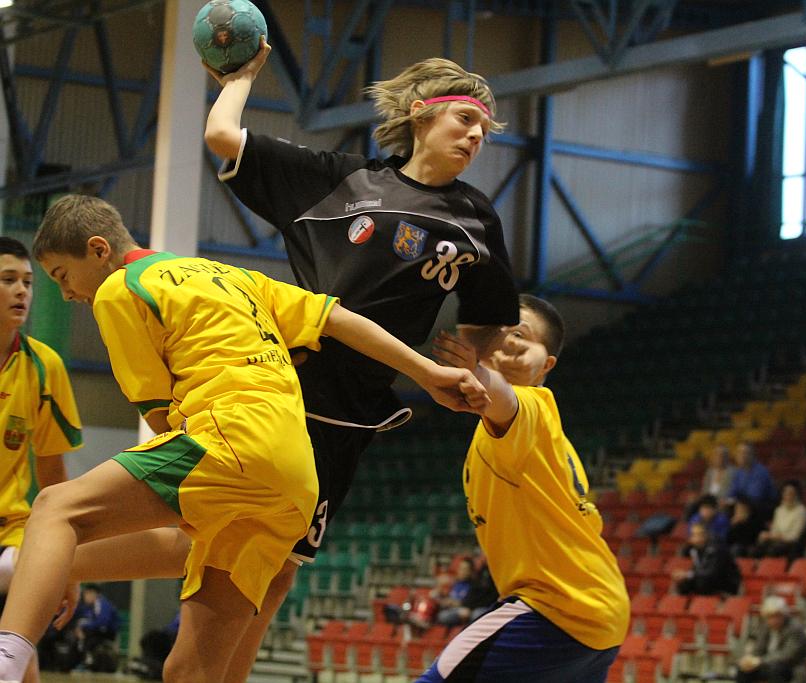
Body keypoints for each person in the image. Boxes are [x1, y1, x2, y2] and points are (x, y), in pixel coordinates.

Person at [0, 195, 487, 683]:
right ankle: (42, 568)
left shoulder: (120, 290)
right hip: (298, 476)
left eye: (62, 276)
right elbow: (338, 319)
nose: (65, 294)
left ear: (99, 249)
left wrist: (60, 557)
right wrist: (427, 372)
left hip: (231, 440)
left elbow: (160, 416)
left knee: (56, 510)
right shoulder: (234, 276)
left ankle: (6, 657)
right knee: (195, 669)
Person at [204, 44, 519, 678]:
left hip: (351, 414)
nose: (477, 135)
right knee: (221, 540)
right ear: (421, 114)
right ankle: (48, 560)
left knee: (283, 566)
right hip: (278, 385)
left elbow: (493, 312)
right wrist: (239, 78)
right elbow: (220, 135)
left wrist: (469, 357)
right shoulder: (340, 179)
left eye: (485, 128)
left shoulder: (475, 219)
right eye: (466, 120)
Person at [424, 295, 628, 681]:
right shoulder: (548, 440)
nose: (511, 340)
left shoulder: (533, 407)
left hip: (558, 606)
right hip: (600, 611)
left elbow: (502, 398)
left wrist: (477, 375)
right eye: (503, 331)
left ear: (547, 364)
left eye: (523, 335)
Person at [0, 236, 82, 683]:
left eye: (28, 282)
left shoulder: (43, 366)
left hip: (12, 538)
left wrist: (66, 562)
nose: (22, 292)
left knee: (19, 668)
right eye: (8, 280)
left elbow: (53, 477)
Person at [735, 595, 806, 683]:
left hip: (790, 667)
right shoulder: (765, 627)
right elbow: (758, 650)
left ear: (784, 615)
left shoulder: (795, 628)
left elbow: (787, 655)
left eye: (777, 616)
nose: (773, 620)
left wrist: (760, 661)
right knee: (743, 668)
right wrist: (750, 660)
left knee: (775, 668)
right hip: (767, 664)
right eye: (769, 617)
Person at [672, 521, 741, 596]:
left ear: (707, 534)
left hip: (726, 583)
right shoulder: (695, 549)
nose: (697, 538)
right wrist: (683, 576)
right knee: (683, 583)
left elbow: (711, 572)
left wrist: (687, 574)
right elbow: (699, 569)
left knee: (701, 581)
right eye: (694, 535)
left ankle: (706, 605)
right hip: (708, 580)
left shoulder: (717, 548)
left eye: (700, 534)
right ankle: (685, 605)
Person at [754, 480, 806, 560]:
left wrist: (778, 537)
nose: (787, 496)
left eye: (791, 493)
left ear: (797, 495)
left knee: (772, 550)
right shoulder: (779, 510)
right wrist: (768, 535)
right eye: (785, 493)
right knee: (757, 548)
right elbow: (774, 530)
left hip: (793, 545)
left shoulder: (802, 511)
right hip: (777, 541)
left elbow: (794, 537)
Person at [728, 443, 778, 526]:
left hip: (762, 507)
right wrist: (727, 501)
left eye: (745, 453)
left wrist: (737, 504)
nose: (741, 456)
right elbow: (732, 492)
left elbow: (754, 497)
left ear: (753, 455)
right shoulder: (738, 472)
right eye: (739, 453)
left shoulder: (760, 472)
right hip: (744, 505)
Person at [436, 557, 477, 627]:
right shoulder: (455, 583)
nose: (462, 571)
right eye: (460, 569)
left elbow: (468, 605)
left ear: (471, 571)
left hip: (460, 611)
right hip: (449, 610)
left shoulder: (474, 586)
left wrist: (454, 603)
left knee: (443, 616)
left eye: (465, 569)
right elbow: (444, 598)